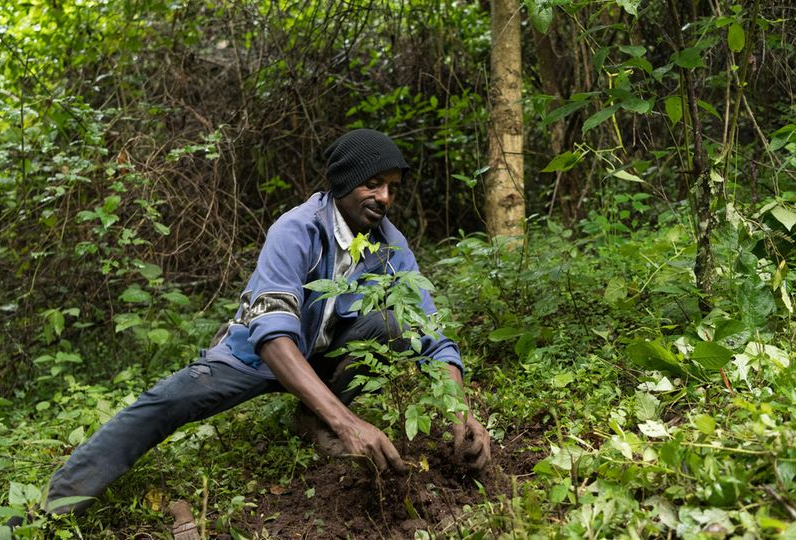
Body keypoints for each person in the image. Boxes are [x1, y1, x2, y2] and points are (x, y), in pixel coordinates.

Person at [43, 128, 491, 516]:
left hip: (322, 356)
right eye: (372, 184)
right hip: (256, 356)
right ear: (343, 182)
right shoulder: (296, 230)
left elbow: (430, 334)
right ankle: (52, 506)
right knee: (166, 403)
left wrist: (459, 412)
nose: (385, 198)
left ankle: (312, 418)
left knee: (394, 323)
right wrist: (349, 423)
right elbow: (274, 338)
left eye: (392, 187)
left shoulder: (389, 245)